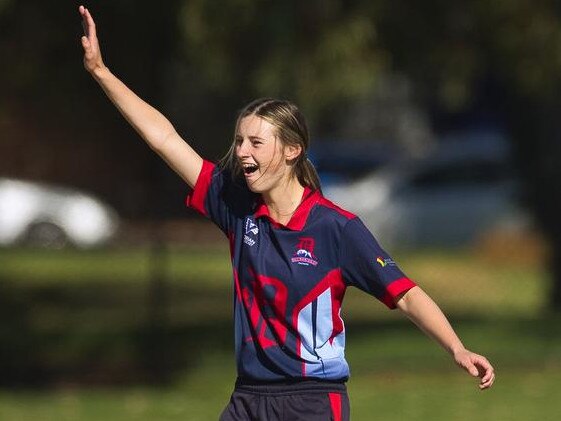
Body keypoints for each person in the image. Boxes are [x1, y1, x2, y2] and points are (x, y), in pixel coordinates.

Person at [78, 5, 495, 420]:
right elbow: (165, 139)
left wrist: (457, 348)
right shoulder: (236, 207)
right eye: (239, 141)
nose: (242, 152)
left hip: (312, 401)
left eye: (256, 143)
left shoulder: (337, 228)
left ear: (292, 150)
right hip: (247, 399)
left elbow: (404, 294)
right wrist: (100, 72)